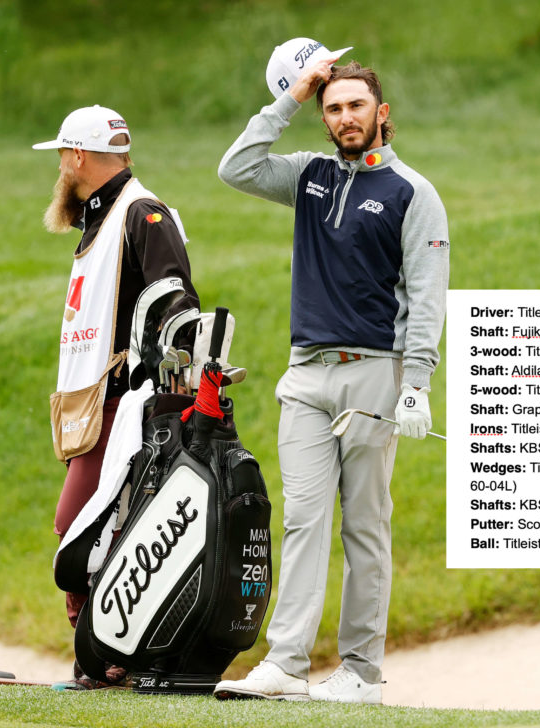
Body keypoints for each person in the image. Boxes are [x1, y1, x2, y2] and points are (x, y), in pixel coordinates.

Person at [213, 56, 449, 704]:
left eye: (356, 106)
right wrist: (291, 95)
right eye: (334, 108)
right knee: (304, 519)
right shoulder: (308, 177)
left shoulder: (412, 193)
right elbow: (234, 167)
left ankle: (361, 673)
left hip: (374, 375)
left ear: (382, 114)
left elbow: (428, 299)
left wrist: (416, 385)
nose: (345, 118)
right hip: (306, 376)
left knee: (365, 526)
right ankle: (286, 664)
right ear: (323, 115)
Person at [33, 104, 200, 688]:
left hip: (127, 406)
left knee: (78, 527)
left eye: (62, 156)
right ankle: (98, 663)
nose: (60, 167)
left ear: (77, 156)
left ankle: (100, 662)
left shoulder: (141, 213)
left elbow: (178, 303)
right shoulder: (105, 218)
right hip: (100, 404)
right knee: (92, 529)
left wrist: (157, 388)